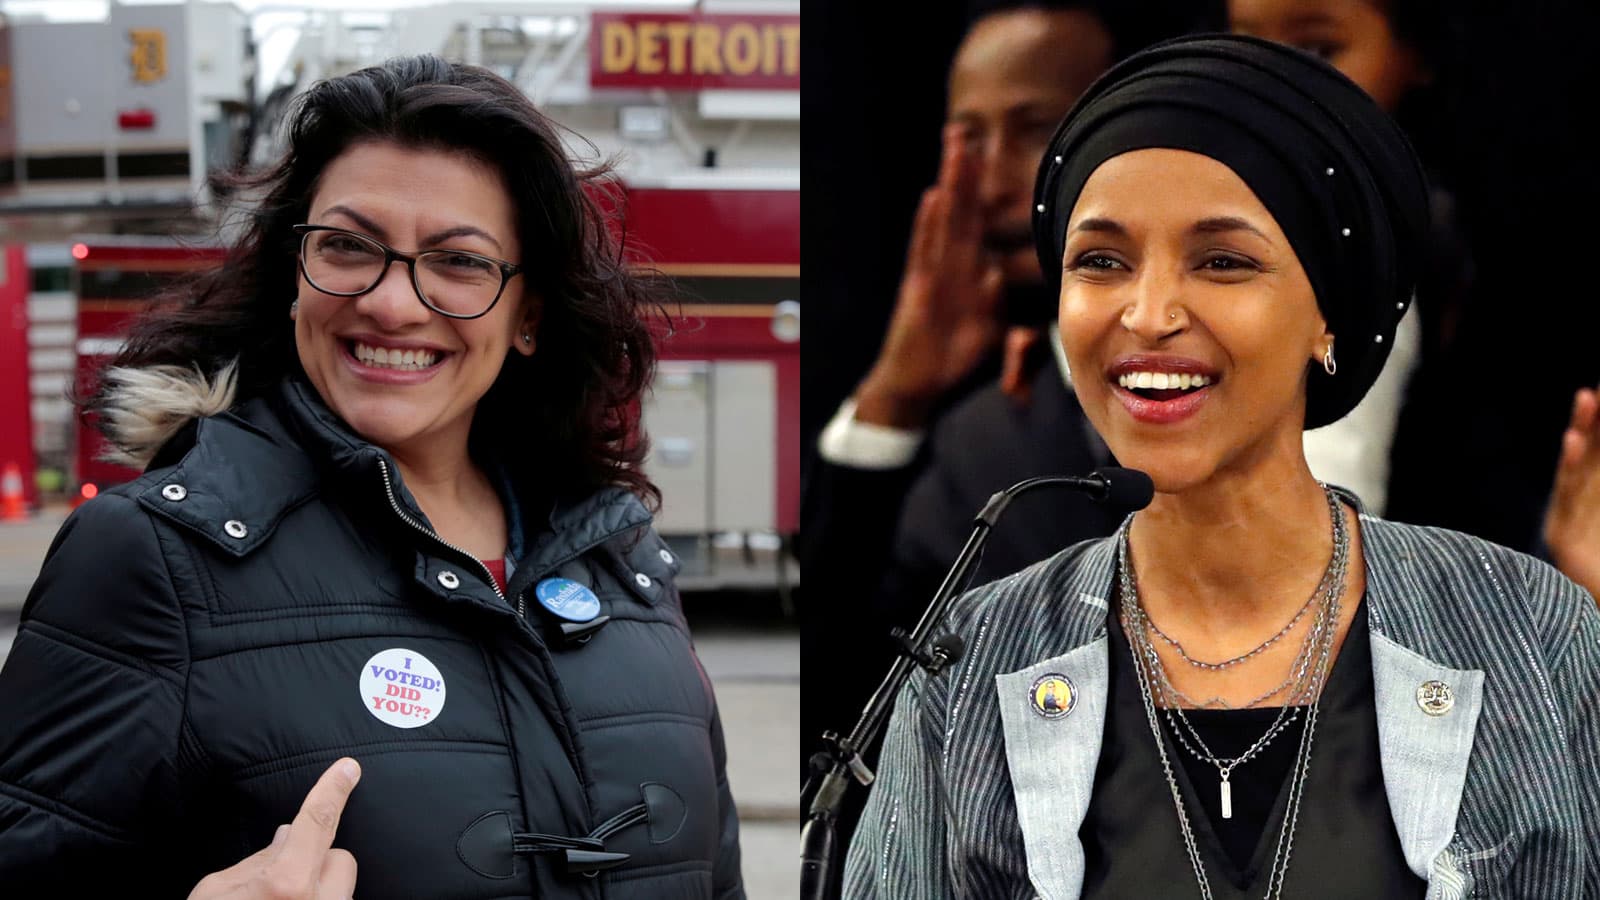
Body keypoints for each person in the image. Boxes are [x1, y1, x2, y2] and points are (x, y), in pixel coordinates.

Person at [845, 34, 1600, 898]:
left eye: (1222, 261)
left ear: (1332, 315)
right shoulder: (972, 661)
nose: (1149, 313)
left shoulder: (1530, 631)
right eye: (1101, 261)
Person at [0, 57, 743, 899]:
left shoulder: (624, 562)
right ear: (293, 274)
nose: (393, 304)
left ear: (528, 316)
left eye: (459, 262)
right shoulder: (150, 560)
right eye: (349, 247)